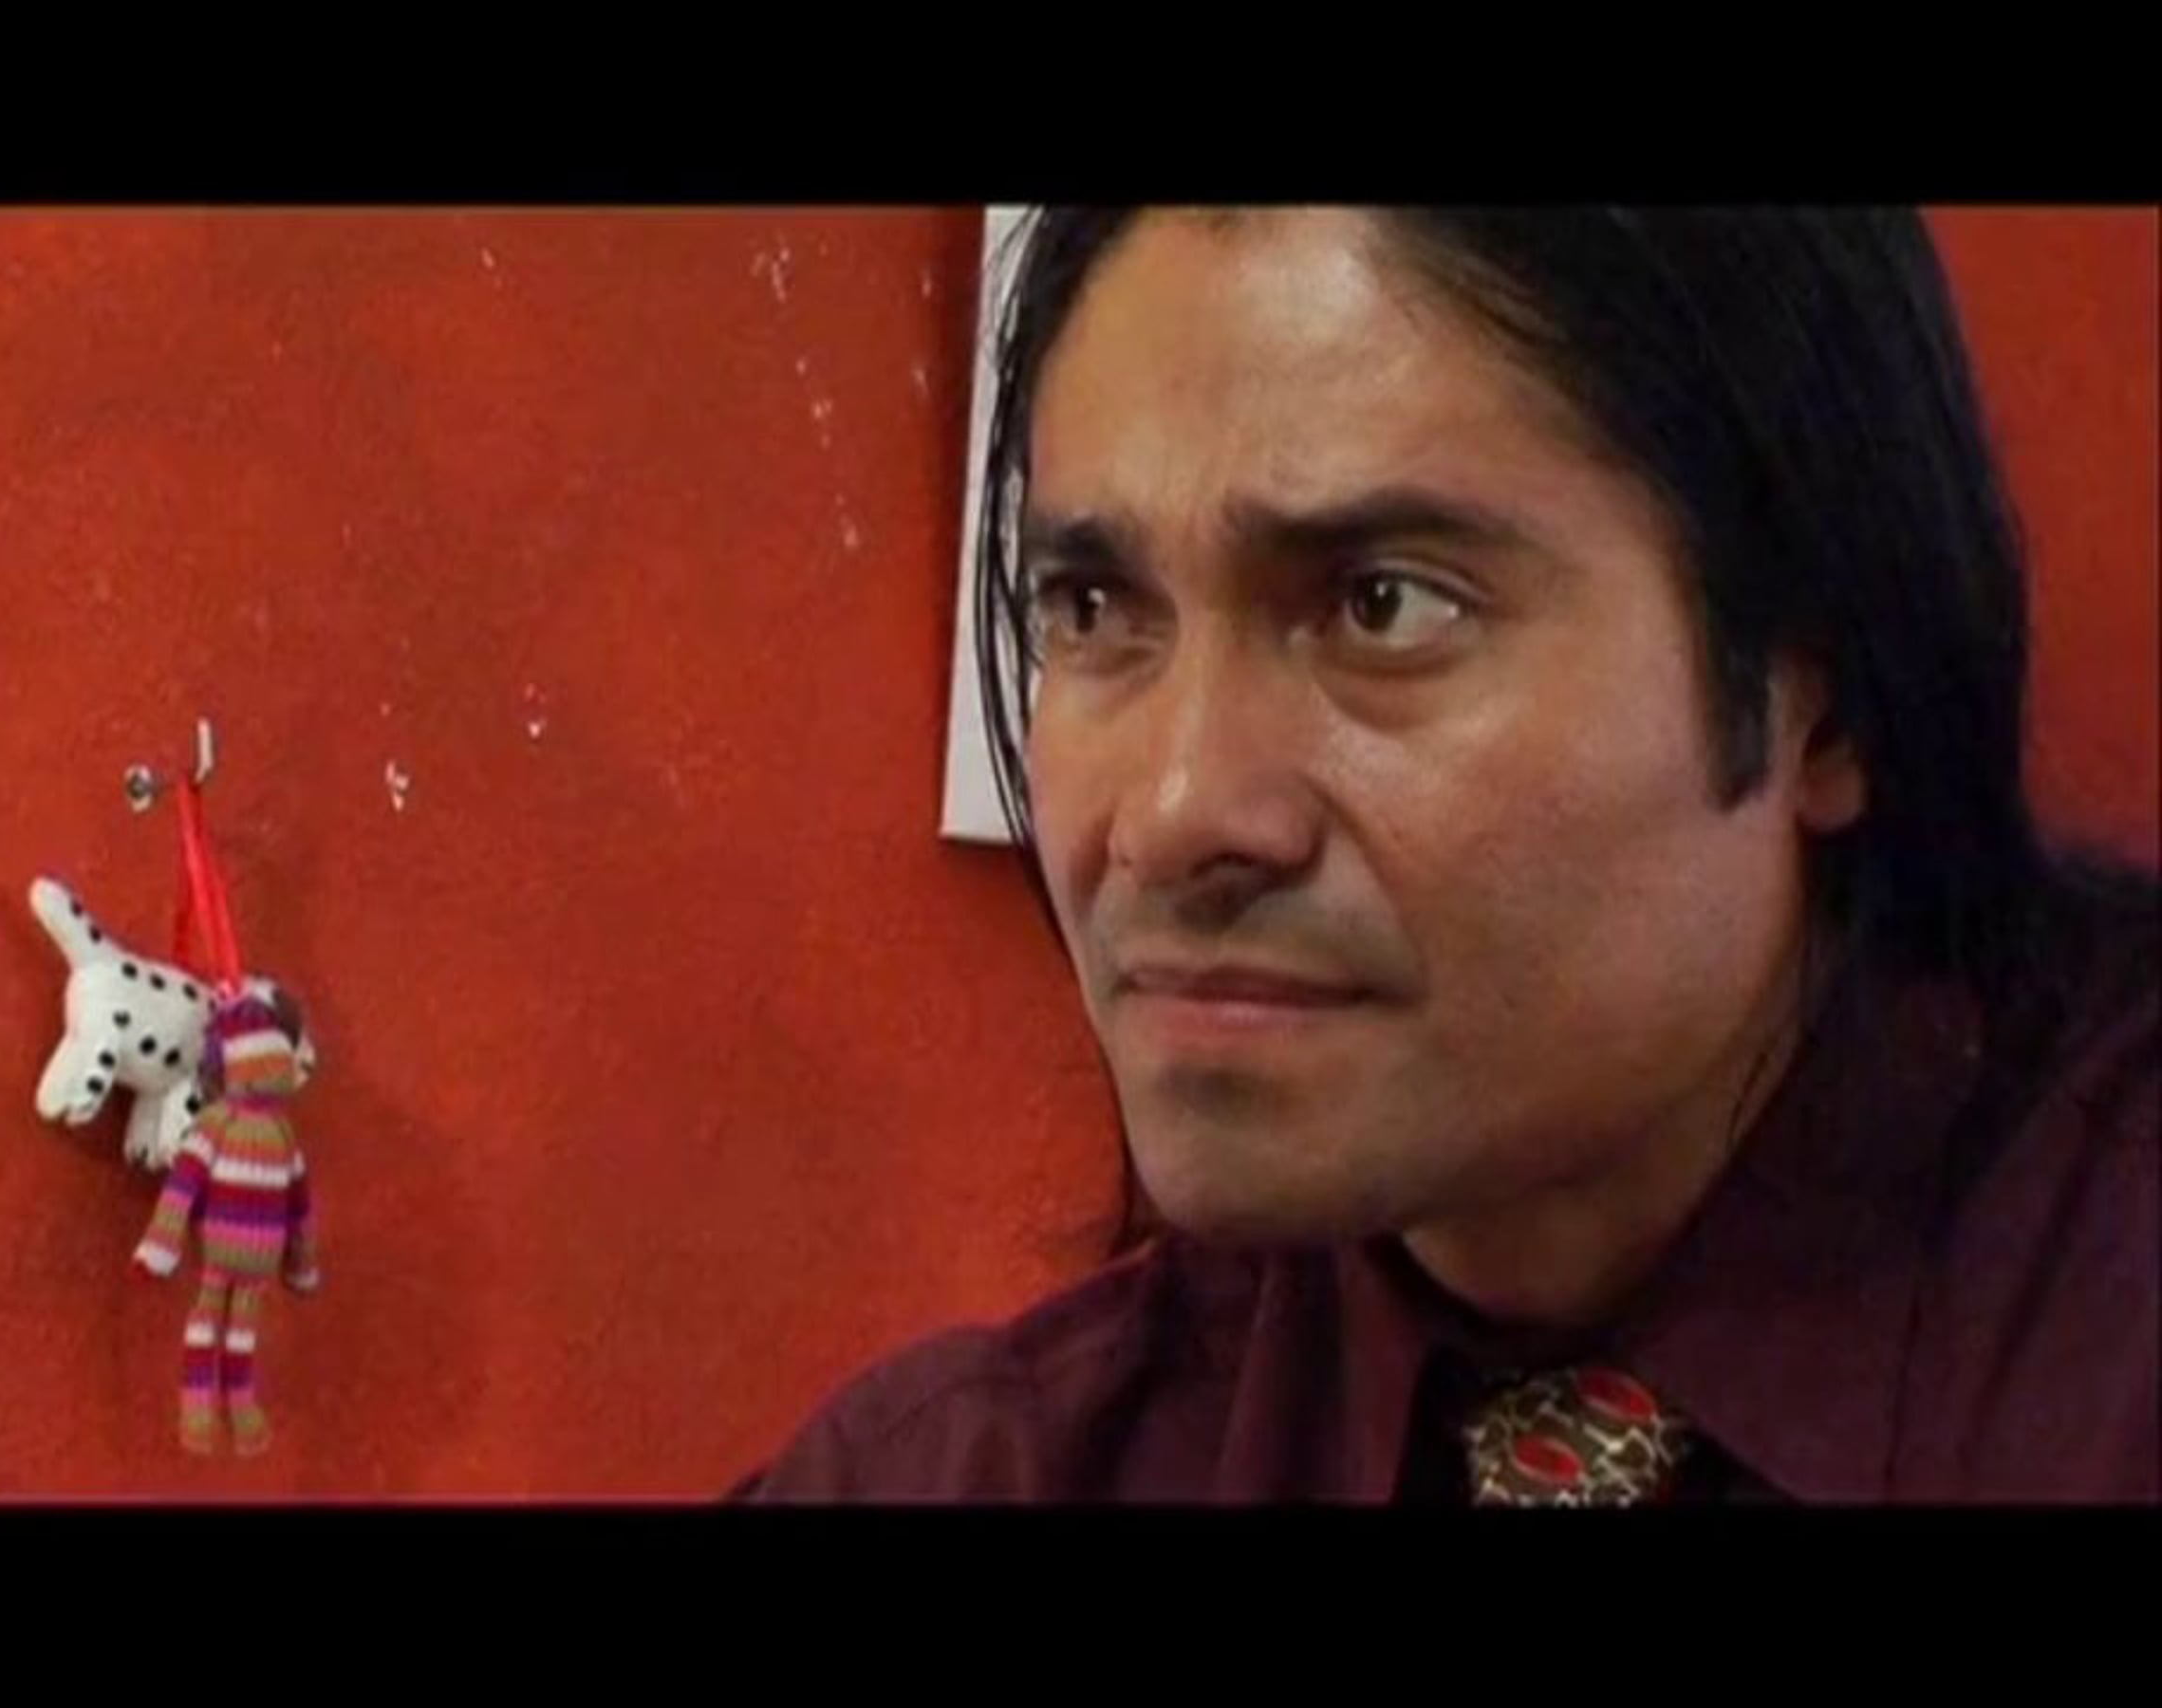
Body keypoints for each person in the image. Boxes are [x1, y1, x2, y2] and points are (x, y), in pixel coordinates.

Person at [730, 207, 2158, 1503]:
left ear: (1825, 698)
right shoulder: (991, 1464)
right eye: (1095, 608)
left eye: (1385, 606)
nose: (1169, 816)